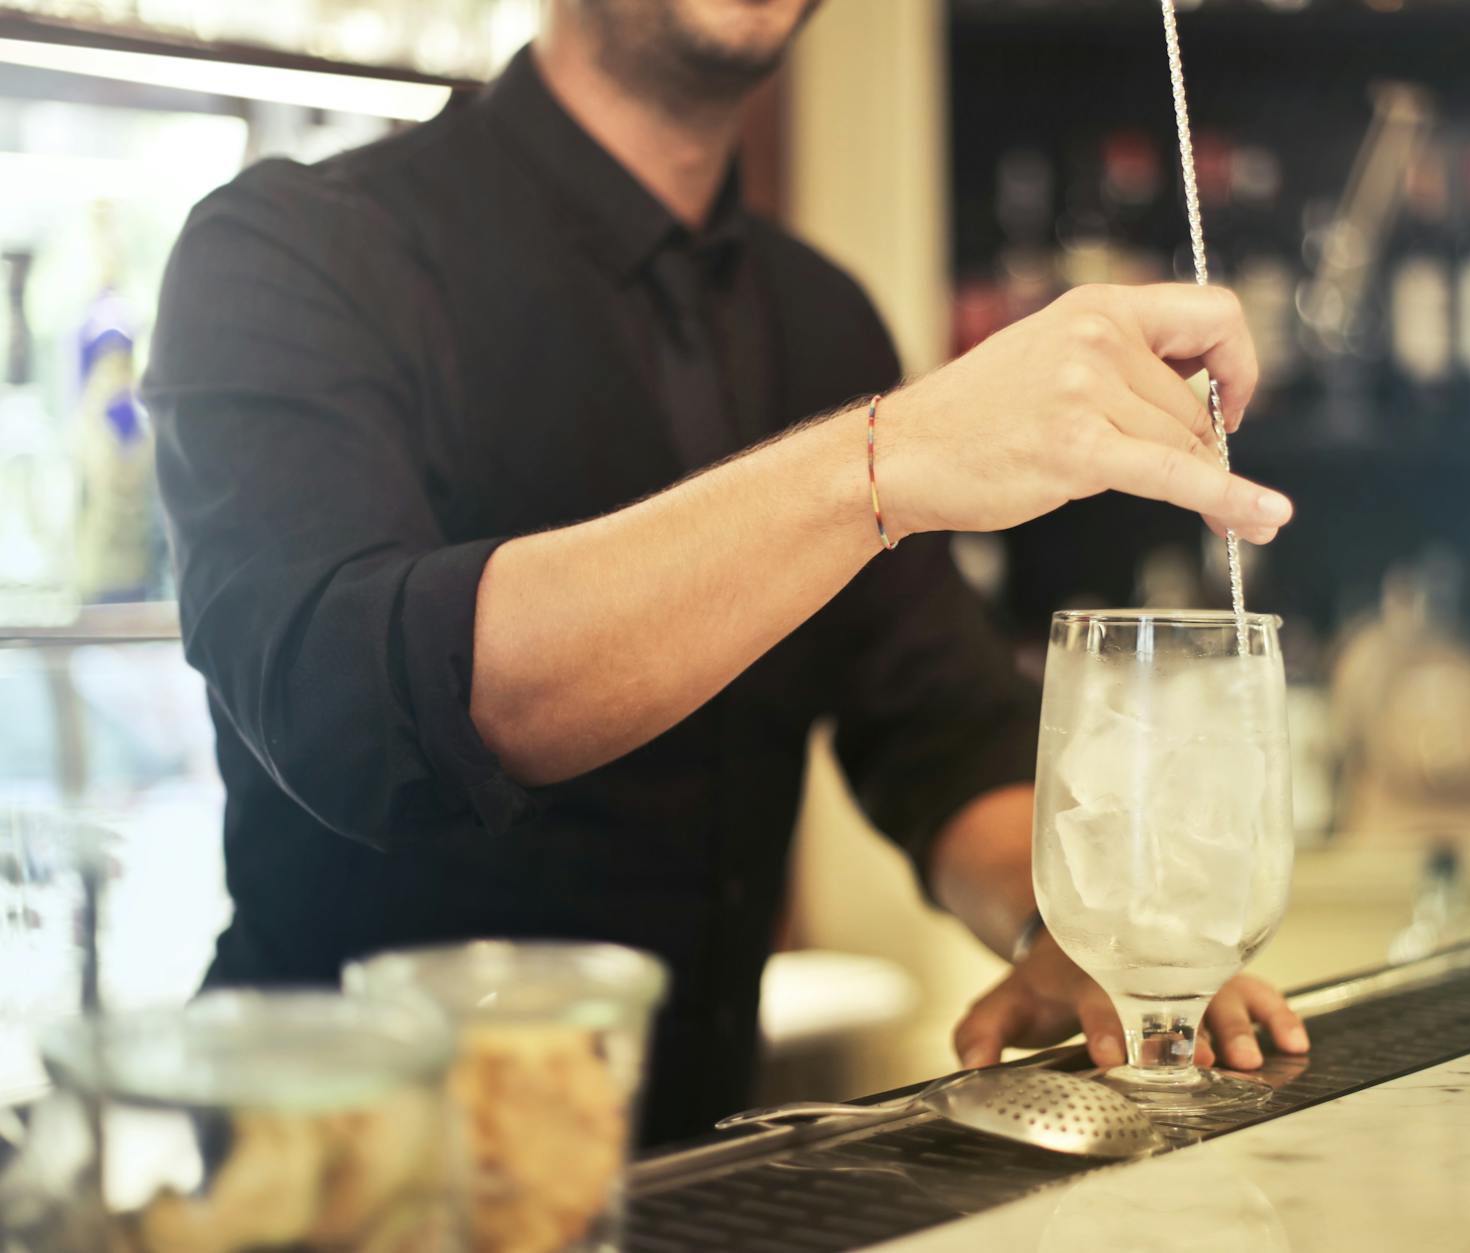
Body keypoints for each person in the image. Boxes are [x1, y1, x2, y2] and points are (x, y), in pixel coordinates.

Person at [145, 0, 1307, 1145]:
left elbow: (934, 725)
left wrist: (1069, 935)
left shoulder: (820, 317)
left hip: (690, 1171)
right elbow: (350, 699)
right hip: (330, 1175)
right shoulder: (290, 247)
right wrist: (883, 460)